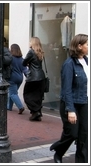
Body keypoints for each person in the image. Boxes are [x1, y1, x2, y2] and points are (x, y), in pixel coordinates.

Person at [50, 34, 88, 163]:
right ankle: (58, 150)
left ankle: (82, 161)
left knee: (84, 135)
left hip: (84, 103)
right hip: (71, 103)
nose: (89, 47)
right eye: (87, 44)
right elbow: (66, 89)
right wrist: (70, 110)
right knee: (72, 133)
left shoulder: (87, 61)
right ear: (79, 46)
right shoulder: (69, 64)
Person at [22, 37, 46, 121]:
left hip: (33, 77)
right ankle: (38, 113)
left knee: (27, 95)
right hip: (41, 77)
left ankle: (35, 111)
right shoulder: (41, 52)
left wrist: (28, 63)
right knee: (38, 96)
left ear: (32, 43)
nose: (29, 43)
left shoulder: (31, 52)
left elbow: (23, 63)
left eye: (30, 42)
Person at [7, 44, 28, 114]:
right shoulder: (22, 59)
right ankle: (9, 106)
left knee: (13, 93)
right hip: (20, 78)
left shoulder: (11, 58)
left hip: (12, 78)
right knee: (12, 92)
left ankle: (20, 107)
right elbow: (25, 70)